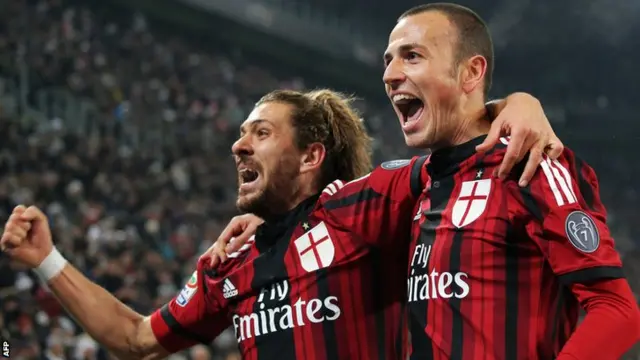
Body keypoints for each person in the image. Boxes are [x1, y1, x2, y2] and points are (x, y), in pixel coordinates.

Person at [208, 3, 640, 360]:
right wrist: (266, 222)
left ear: (470, 73)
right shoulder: (408, 184)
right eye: (388, 59)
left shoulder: (531, 164)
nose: (390, 73)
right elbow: (311, 205)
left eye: (411, 56)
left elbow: (617, 311)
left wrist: (521, 102)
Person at [2, 86, 556, 359]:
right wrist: (45, 260)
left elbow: (454, 145)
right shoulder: (231, 262)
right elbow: (133, 337)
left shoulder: (366, 206)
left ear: (312, 156)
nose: (238, 144)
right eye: (242, 132)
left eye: (261, 133)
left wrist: (518, 104)